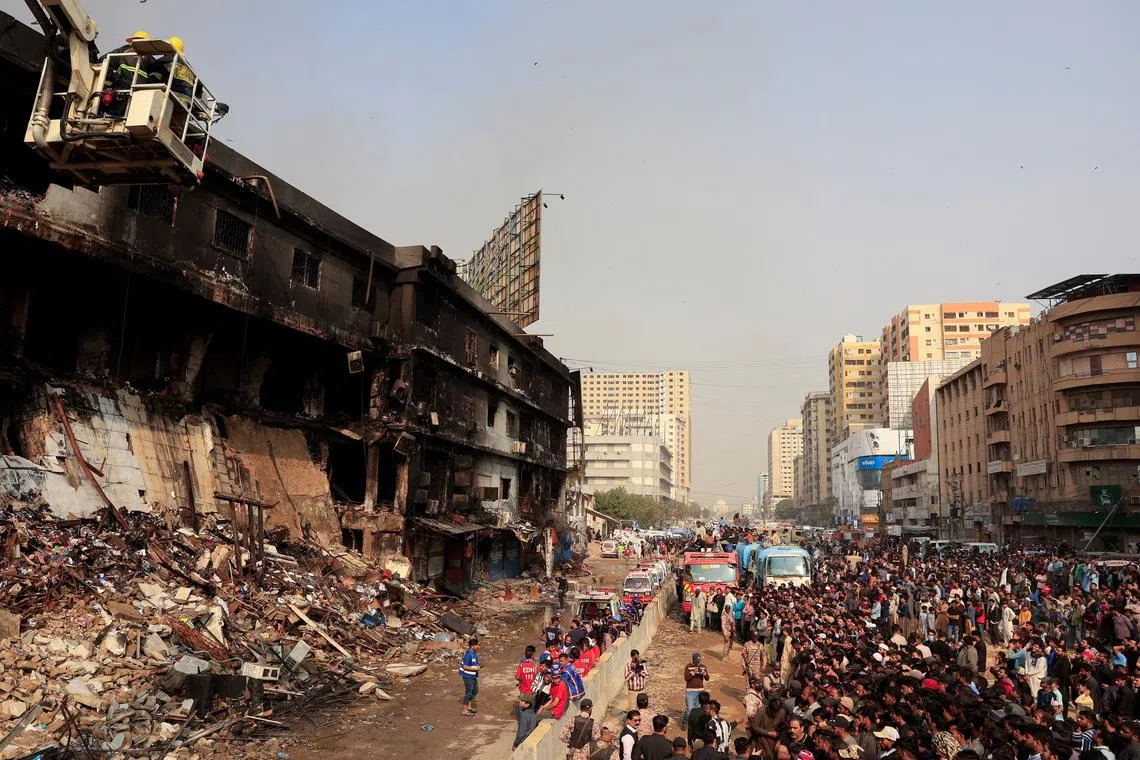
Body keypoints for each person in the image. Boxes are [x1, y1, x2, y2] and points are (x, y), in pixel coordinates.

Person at [683, 654, 711, 725]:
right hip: (690, 691)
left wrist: (704, 673)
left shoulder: (703, 667)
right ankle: (685, 720)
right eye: (696, 662)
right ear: (693, 660)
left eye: (699, 661)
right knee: (690, 710)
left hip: (700, 691)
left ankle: (694, 724)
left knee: (697, 709)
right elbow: (686, 678)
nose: (698, 663)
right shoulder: (688, 667)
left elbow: (707, 678)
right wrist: (693, 673)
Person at [459, 637, 480, 717]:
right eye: (476, 645)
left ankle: (469, 706)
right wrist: (474, 668)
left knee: (475, 691)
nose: (478, 646)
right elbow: (465, 666)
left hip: (473, 676)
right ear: (472, 646)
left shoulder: (474, 653)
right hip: (468, 676)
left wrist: (477, 667)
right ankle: (465, 710)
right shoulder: (468, 654)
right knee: (468, 693)